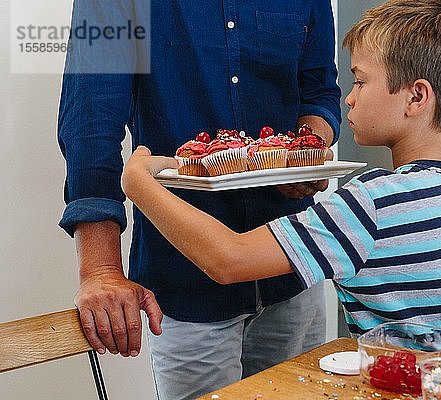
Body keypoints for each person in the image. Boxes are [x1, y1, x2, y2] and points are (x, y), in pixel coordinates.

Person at [122, 0, 441, 364]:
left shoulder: (369, 206)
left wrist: (140, 184)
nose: (348, 96)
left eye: (361, 81)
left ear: (416, 97)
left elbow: (227, 260)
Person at [57, 1, 341, 399]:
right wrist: (101, 269)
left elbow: (320, 91)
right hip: (186, 281)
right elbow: (91, 121)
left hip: (291, 273)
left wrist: (303, 152)